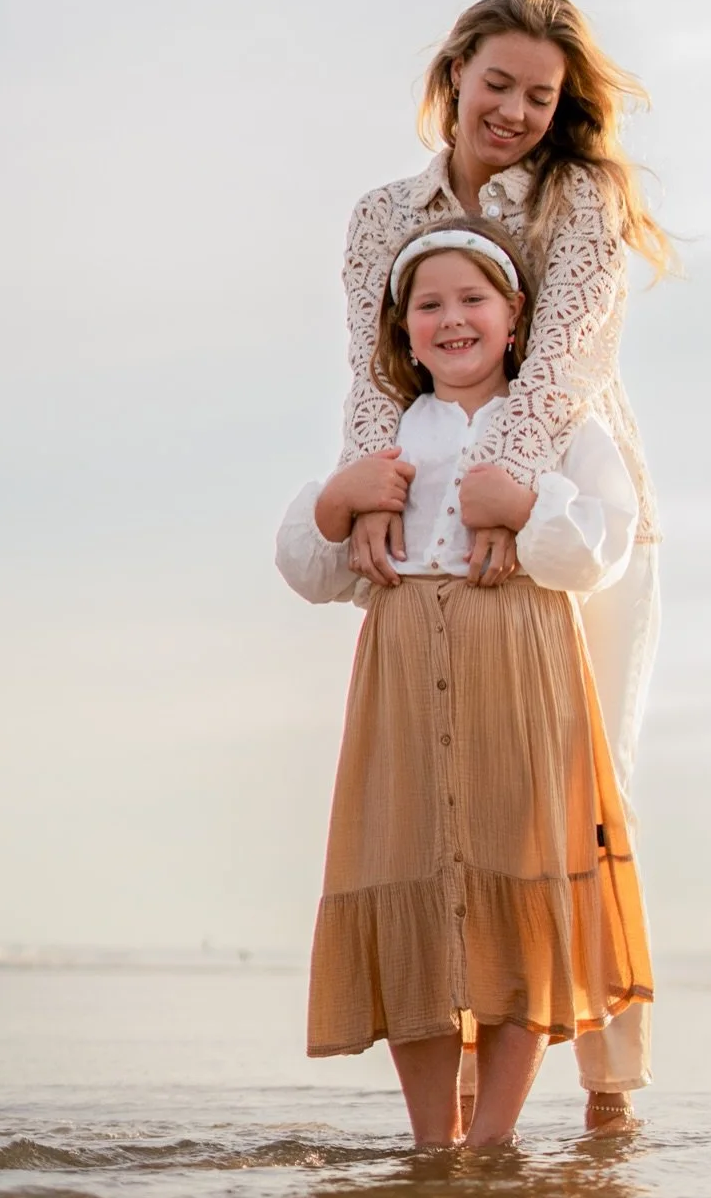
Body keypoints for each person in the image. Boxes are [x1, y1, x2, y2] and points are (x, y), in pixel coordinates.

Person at [335, 0, 674, 1129]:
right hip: (438, 515)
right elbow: (374, 366)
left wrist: (506, 500)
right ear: (456, 75)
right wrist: (376, 489)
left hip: (574, 509)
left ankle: (609, 1075)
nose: (517, 110)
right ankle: (468, 1045)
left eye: (541, 94)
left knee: (585, 789)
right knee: (452, 799)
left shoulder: (582, 197)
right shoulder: (384, 212)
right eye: (499, 84)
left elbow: (567, 357)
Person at [276, 220, 652, 1147]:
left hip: (519, 663)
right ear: (403, 332)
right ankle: (431, 1136)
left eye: (471, 299)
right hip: (403, 667)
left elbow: (604, 546)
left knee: (515, 886)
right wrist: (335, 500)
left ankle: (491, 1135)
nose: (452, 320)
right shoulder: (389, 435)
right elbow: (315, 572)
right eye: (429, 305)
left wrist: (526, 508)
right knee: (407, 876)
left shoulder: (565, 426)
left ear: (515, 318)